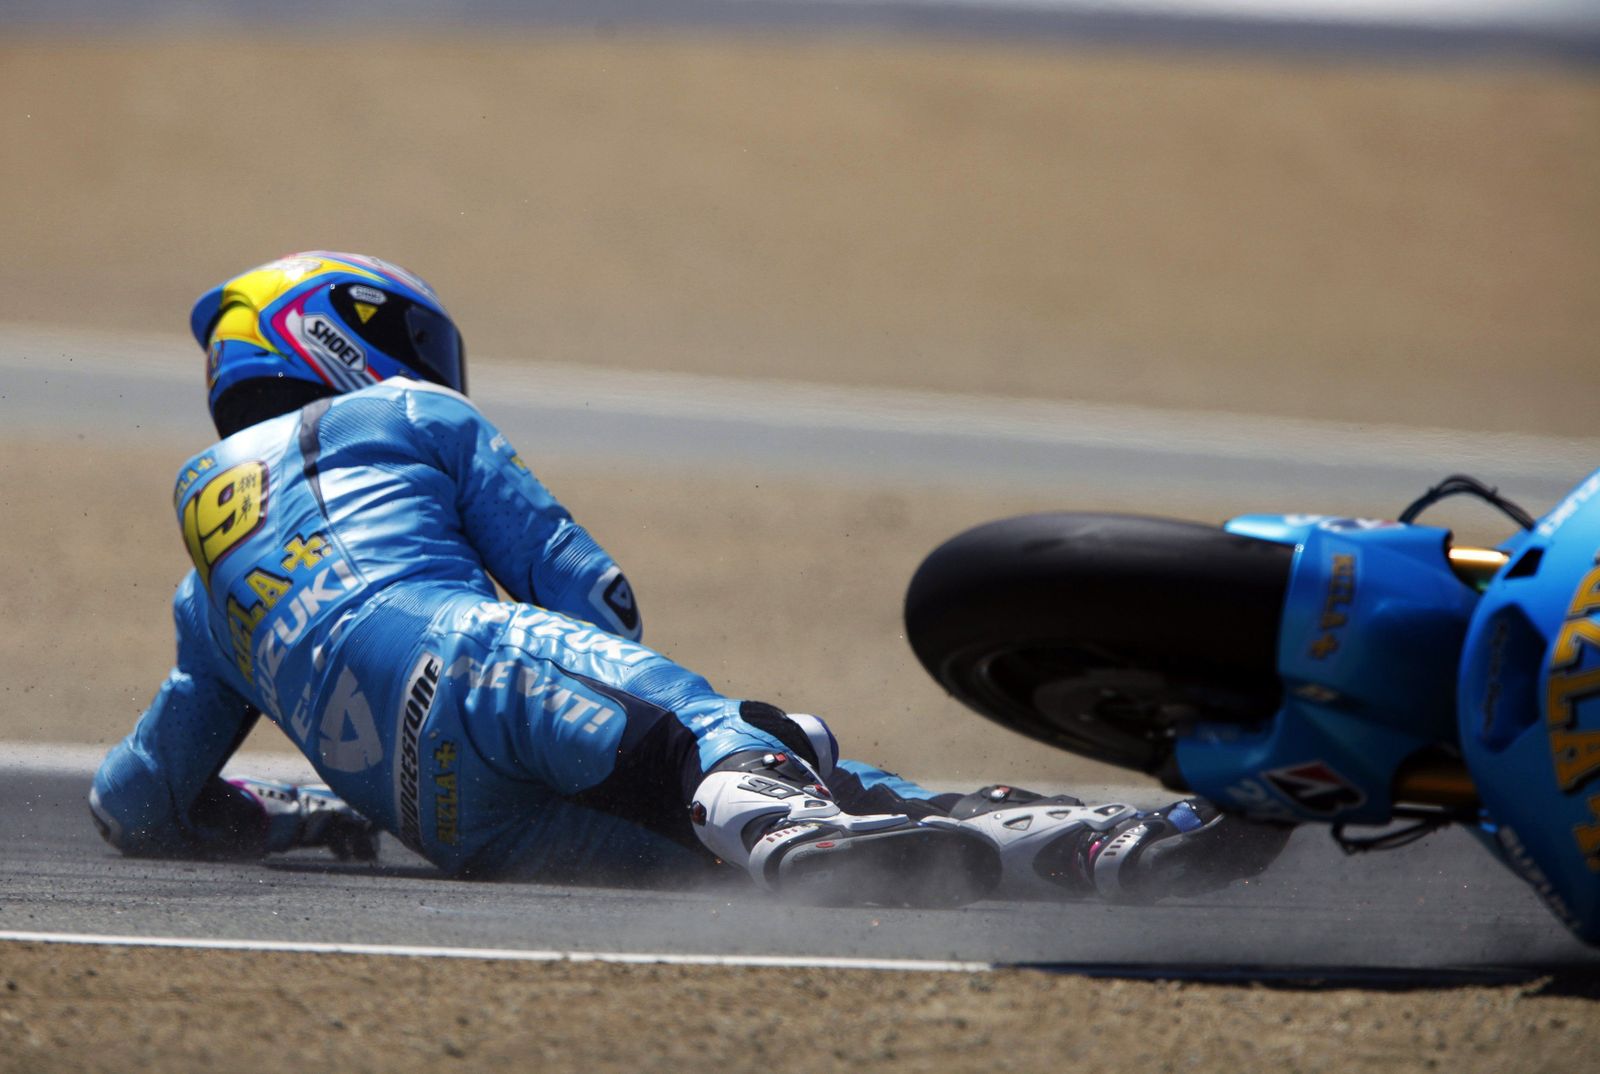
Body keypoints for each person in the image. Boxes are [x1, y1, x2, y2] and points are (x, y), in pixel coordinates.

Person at [89, 251, 1289, 907]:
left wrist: (300, 819)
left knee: (732, 822)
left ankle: (1077, 852)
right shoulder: (410, 410)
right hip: (471, 662)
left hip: (457, 829)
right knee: (716, 735)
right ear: (343, 336)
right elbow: (588, 593)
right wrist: (642, 709)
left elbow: (138, 803)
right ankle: (821, 832)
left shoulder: (207, 602)